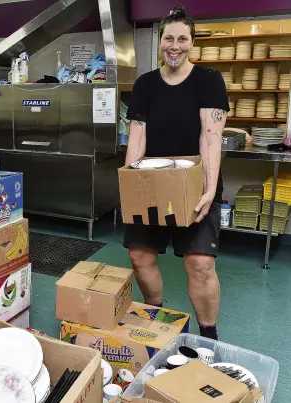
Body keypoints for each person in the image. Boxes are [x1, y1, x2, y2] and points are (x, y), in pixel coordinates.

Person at [123, 6, 228, 340]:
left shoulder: (208, 81)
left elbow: (210, 138)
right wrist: (129, 183)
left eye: (183, 38)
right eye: (169, 37)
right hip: (152, 184)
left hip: (196, 183)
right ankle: (157, 314)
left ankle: (208, 334)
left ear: (191, 43)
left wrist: (210, 191)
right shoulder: (145, 84)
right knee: (140, 256)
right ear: (160, 41)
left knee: (199, 263)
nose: (175, 45)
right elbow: (137, 136)